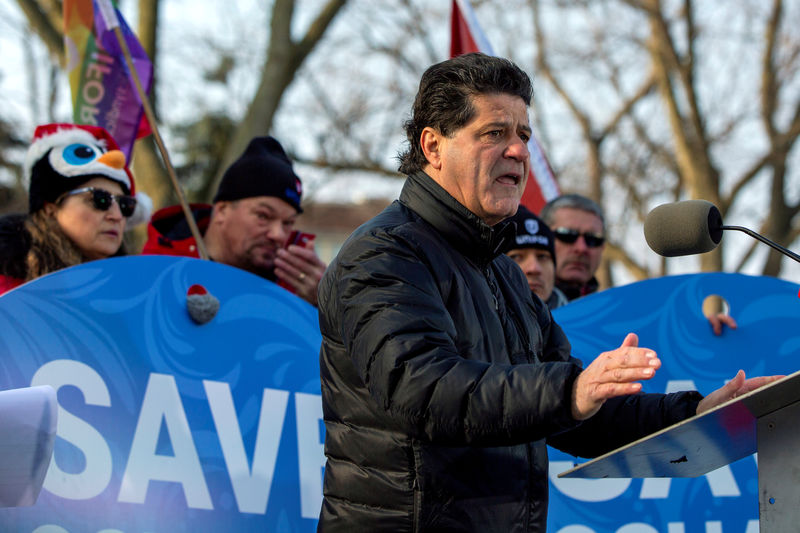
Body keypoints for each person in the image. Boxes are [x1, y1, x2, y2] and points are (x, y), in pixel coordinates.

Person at [316, 53, 778, 532]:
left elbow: (580, 409)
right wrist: (570, 392)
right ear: (433, 146)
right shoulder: (381, 254)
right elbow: (422, 388)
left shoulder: (506, 276)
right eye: (495, 133)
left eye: (524, 135)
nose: (518, 152)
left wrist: (698, 413)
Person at [143, 136, 326, 306]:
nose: (278, 235)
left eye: (288, 223)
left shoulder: (300, 287)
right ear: (222, 210)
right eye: (263, 216)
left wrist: (324, 308)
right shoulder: (158, 267)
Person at [541, 193, 737, 334]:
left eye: (593, 238)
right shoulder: (517, 310)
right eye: (567, 235)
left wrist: (703, 331)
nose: (581, 247)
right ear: (541, 237)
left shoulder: (620, 318)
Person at [0, 123, 150, 296]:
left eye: (125, 205)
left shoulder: (135, 291)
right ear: (51, 208)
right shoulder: (8, 288)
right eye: (100, 199)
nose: (117, 216)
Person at [502, 204, 568, 309]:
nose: (534, 268)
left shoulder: (582, 321)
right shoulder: (473, 322)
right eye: (516, 256)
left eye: (542, 257)